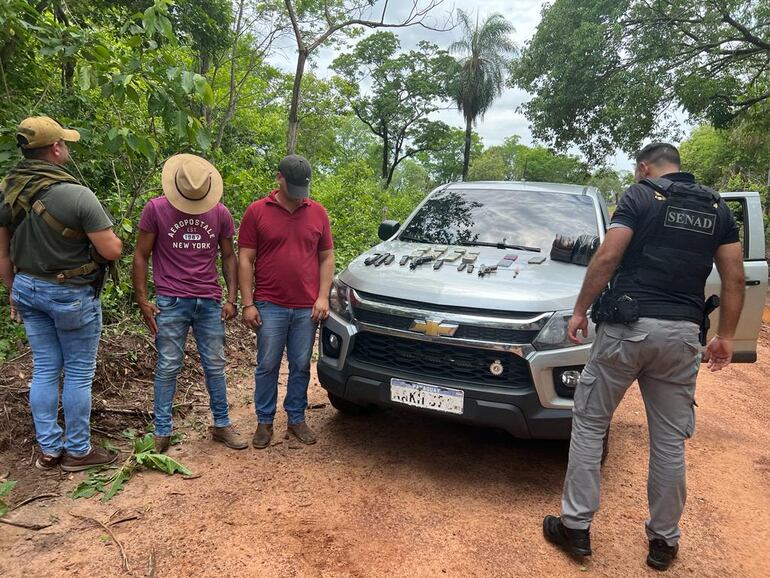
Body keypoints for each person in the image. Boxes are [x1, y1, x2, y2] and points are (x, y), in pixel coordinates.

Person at [543, 143, 745, 571]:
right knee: (669, 441)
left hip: (626, 330)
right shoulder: (716, 207)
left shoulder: (639, 194)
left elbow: (609, 255)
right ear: (680, 166)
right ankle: (664, 542)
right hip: (682, 336)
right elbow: (734, 277)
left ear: (644, 167)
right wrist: (726, 335)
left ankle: (576, 528)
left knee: (591, 424)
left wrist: (580, 311)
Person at [0, 116, 123, 471]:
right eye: (64, 143)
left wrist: (13, 291)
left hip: (27, 288)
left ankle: (49, 449)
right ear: (55, 149)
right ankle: (79, 451)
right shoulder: (76, 195)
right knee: (79, 372)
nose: (66, 148)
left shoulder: (10, 189)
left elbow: (3, 253)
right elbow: (111, 249)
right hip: (69, 294)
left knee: (44, 370)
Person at [132, 154, 247, 453]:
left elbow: (228, 256)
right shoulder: (155, 209)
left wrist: (231, 297)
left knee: (215, 366)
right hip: (171, 300)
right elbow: (141, 254)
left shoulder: (220, 213)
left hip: (208, 300)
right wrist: (143, 299)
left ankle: (221, 424)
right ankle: (162, 431)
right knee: (168, 365)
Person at [238, 154, 334, 449]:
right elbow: (245, 258)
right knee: (267, 364)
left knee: (301, 364)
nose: (298, 195)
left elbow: (326, 256)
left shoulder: (318, 212)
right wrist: (248, 302)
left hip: (306, 306)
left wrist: (322, 296)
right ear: (278, 177)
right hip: (270, 303)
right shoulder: (256, 212)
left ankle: (296, 418)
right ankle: (264, 421)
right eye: (292, 186)